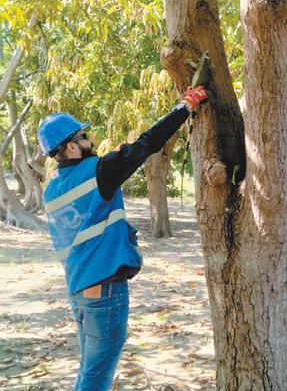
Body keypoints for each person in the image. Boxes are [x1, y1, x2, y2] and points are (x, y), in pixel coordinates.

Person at [37, 85, 207, 390]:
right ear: (71, 147)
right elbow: (146, 144)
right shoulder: (98, 172)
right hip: (104, 292)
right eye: (83, 137)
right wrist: (184, 107)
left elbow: (85, 227)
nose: (90, 141)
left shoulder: (51, 190)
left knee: (90, 369)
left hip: (79, 290)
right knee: (96, 375)